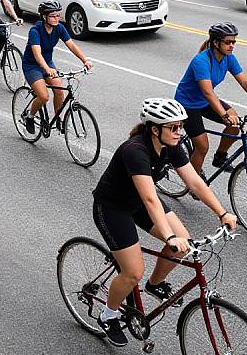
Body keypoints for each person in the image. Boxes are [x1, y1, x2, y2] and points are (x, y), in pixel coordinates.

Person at [92, 98, 237, 347]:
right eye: (174, 127)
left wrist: (223, 213)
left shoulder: (172, 145)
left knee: (186, 243)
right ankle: (109, 315)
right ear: (154, 129)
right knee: (133, 271)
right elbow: (150, 198)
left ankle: (155, 284)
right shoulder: (134, 150)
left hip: (138, 204)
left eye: (181, 126)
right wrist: (169, 237)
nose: (180, 132)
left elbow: (195, 183)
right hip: (113, 208)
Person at [174, 23, 247, 176]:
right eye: (228, 42)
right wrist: (224, 115)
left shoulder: (228, 58)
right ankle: (194, 183)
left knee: (235, 124)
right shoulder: (201, 61)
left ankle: (220, 157)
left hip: (204, 102)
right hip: (187, 104)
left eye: (233, 42)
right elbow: (208, 92)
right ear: (216, 43)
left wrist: (229, 115)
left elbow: (245, 82)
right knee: (202, 146)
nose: (232, 46)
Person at [21, 1, 92, 134]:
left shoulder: (59, 28)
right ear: (44, 17)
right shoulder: (35, 31)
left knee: (59, 91)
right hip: (32, 66)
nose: (56, 18)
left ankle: (58, 119)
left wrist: (85, 60)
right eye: (53, 16)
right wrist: (47, 69)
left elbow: (71, 45)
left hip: (48, 63)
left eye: (58, 15)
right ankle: (29, 116)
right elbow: (37, 54)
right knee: (43, 96)